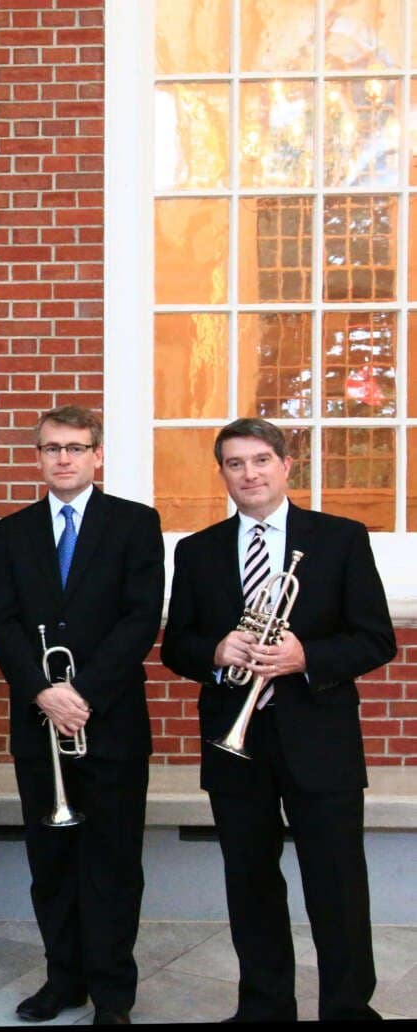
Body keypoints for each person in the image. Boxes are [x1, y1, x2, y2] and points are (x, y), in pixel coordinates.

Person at [161, 417, 394, 1023]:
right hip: (235, 741)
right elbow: (175, 645)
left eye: (261, 460)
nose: (249, 474)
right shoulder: (196, 549)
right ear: (222, 474)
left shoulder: (340, 538)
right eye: (235, 464)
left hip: (320, 737)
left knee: (337, 881)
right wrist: (215, 651)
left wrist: (305, 655)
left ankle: (347, 1007)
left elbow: (375, 639)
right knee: (251, 880)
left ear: (287, 465)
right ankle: (264, 1006)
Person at [0, 406, 163, 1025]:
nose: (63, 458)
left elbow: (141, 617)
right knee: (52, 860)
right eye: (51, 448)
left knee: (113, 863)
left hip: (110, 719)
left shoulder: (135, 524)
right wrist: (42, 690)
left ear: (97, 456)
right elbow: (3, 623)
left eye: (75, 447)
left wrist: (80, 692)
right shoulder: (11, 532)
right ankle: (63, 979)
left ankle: (113, 994)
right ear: (36, 457)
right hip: (39, 721)